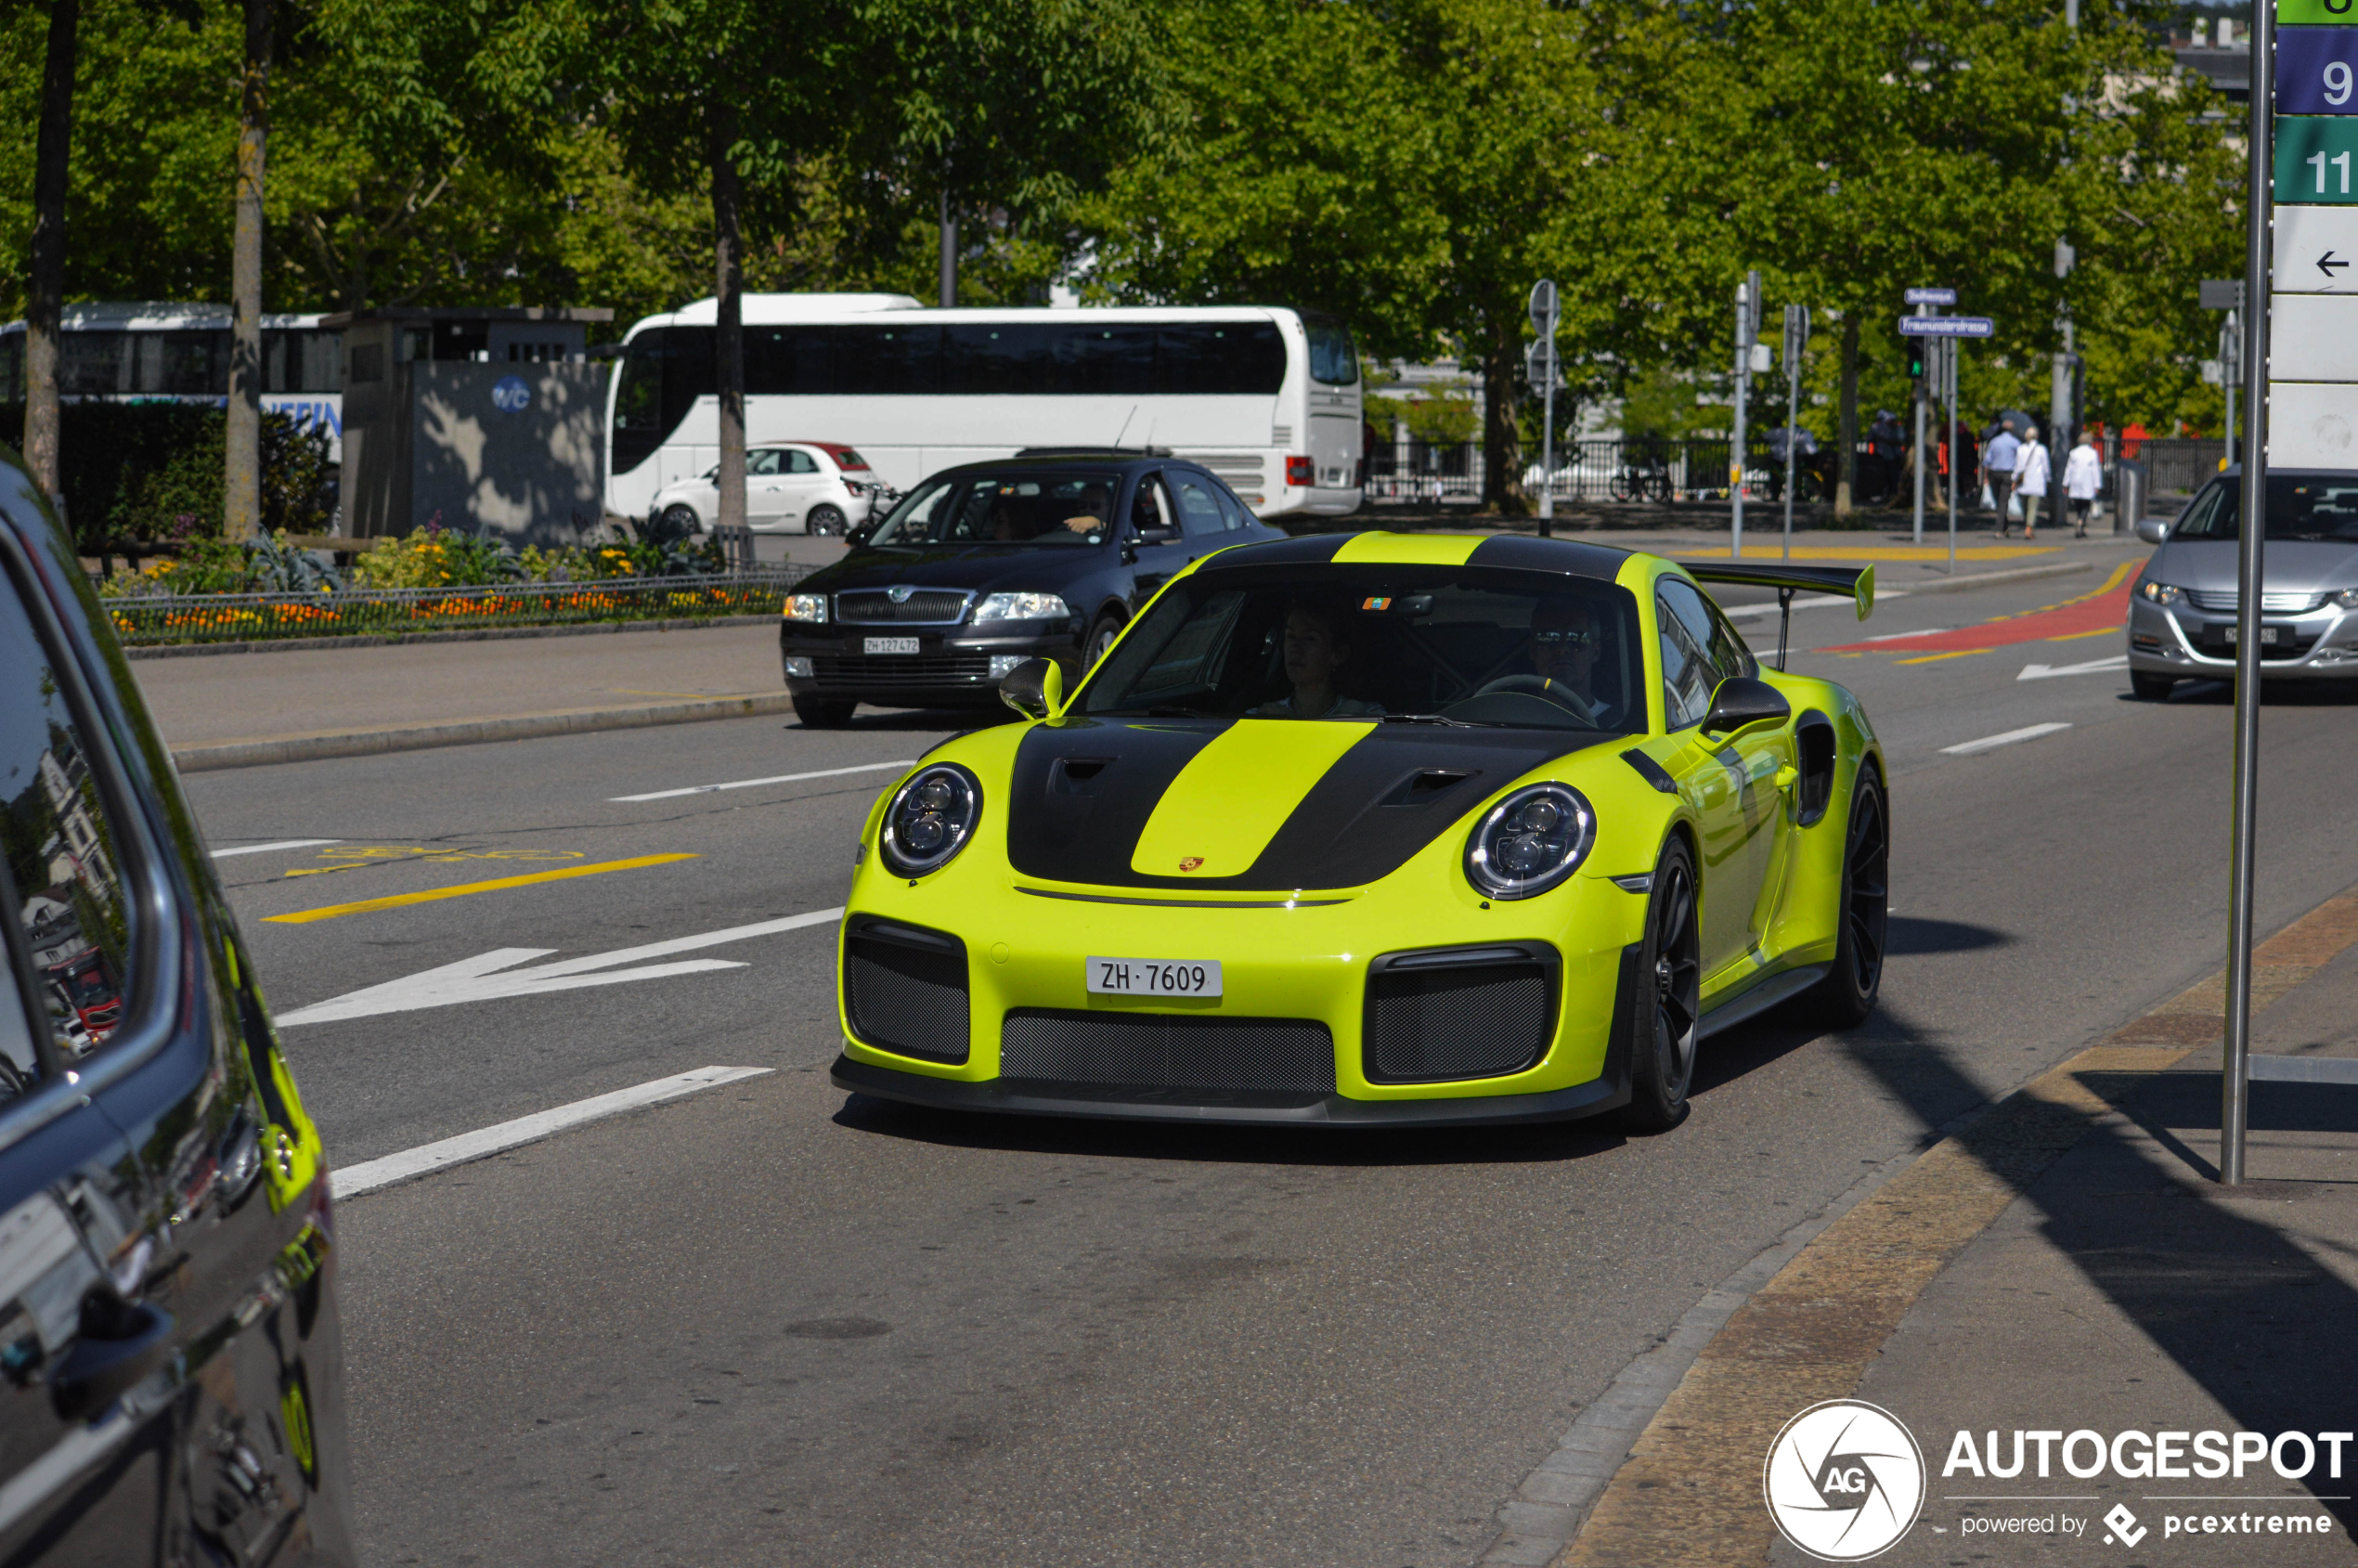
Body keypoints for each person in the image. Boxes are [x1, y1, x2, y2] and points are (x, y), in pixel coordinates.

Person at [1251, 601, 1384, 719]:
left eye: (1310, 638)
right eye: (1290, 636)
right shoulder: (1261, 716)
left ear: (1338, 655)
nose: (1295, 648)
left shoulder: (1370, 716)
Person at [1522, 596, 1620, 727]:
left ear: (1596, 651)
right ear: (1532, 650)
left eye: (1576, 639)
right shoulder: (1508, 720)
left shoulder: (1620, 724)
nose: (1562, 649)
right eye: (1548, 638)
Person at [2013, 426, 2051, 539]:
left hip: (2023, 482)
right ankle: (2029, 528)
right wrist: (2048, 479)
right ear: (2037, 436)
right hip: (2036, 482)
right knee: (2033, 507)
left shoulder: (2021, 449)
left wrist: (2014, 480)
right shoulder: (2042, 449)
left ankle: (2027, 524)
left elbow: (2018, 467)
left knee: (2025, 507)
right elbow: (2045, 467)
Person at [1983, 421, 2022, 535]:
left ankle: (2001, 527)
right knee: (2003, 501)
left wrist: (1986, 477)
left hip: (1994, 473)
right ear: (2012, 430)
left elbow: (1987, 461)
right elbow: (2019, 460)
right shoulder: (2015, 443)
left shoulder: (1994, 442)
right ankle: (2002, 528)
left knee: (1998, 500)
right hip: (2008, 474)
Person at [2063, 434, 2103, 537]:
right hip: (2087, 482)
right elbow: (2095, 470)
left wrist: (2066, 483)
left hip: (2075, 481)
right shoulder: (2093, 453)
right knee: (2086, 505)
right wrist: (2097, 485)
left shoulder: (2073, 453)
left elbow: (2069, 468)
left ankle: (2080, 521)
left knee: (2078, 504)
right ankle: (2081, 522)